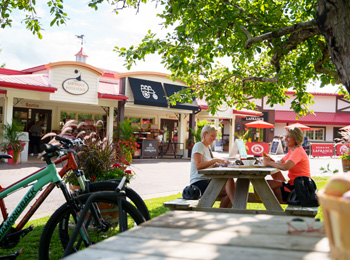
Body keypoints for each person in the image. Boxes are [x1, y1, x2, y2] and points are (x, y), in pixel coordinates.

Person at [190, 124, 235, 208]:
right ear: (204, 134)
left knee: (232, 187)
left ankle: (222, 212)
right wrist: (216, 160)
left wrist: (224, 164)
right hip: (198, 183)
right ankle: (237, 207)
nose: (214, 139)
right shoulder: (199, 145)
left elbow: (212, 165)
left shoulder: (208, 148)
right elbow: (198, 165)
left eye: (215, 137)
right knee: (231, 186)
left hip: (207, 181)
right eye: (212, 136)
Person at [262, 127, 311, 202]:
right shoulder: (292, 150)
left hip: (300, 188)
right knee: (270, 182)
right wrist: (272, 161)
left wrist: (269, 162)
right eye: (285, 136)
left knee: (267, 184)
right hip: (295, 184)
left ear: (296, 139)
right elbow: (280, 162)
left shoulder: (298, 151)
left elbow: (286, 167)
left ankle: (276, 207)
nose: (285, 139)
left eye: (288, 137)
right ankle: (276, 207)